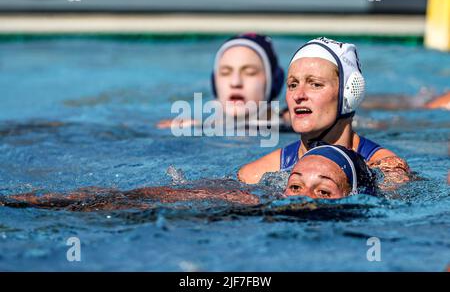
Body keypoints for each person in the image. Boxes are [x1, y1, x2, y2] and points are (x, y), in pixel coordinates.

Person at [238, 37, 411, 185]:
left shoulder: (388, 174)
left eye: (315, 84)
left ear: (350, 93)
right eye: (293, 85)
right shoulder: (254, 175)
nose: (298, 95)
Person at [0, 144, 376, 211]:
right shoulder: (251, 203)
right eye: (295, 185)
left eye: (323, 190)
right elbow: (139, 197)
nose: (302, 197)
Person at [156, 33, 287, 129]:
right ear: (214, 84)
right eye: (225, 73)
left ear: (274, 82)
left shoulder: (291, 123)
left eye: (249, 72)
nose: (235, 83)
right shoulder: (194, 127)